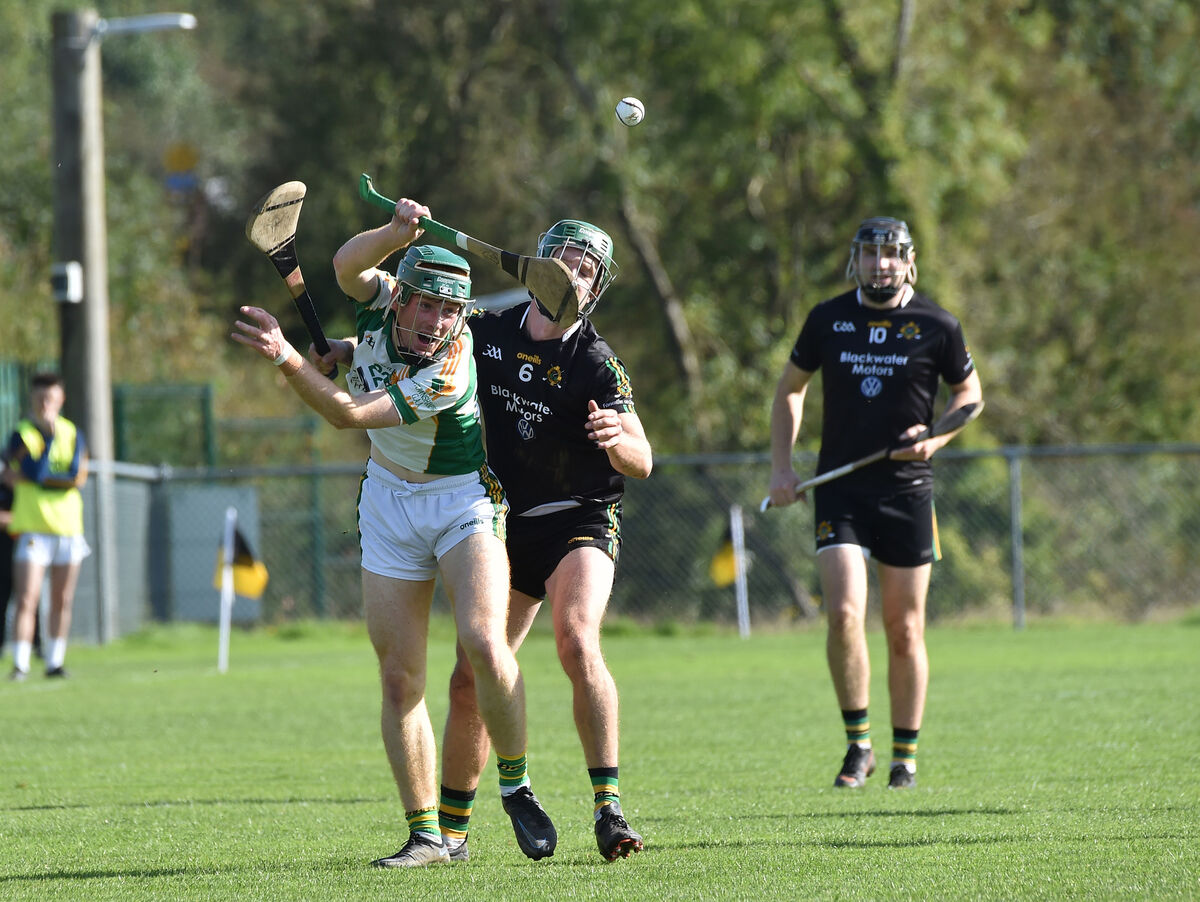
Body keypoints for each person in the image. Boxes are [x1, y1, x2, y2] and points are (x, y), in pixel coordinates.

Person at [314, 218, 654, 862]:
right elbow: (418, 345)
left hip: (577, 517)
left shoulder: (596, 363)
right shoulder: (486, 328)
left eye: (586, 269)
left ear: (597, 288)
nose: (571, 275)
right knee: (472, 674)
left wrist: (620, 441)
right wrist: (347, 350)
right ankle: (451, 835)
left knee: (576, 638)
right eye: (563, 261)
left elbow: (643, 459)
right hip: (499, 516)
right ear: (539, 265)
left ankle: (608, 809)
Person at [231, 197, 552, 868]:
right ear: (399, 297)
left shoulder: (450, 367)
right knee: (400, 680)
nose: (436, 321)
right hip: (387, 502)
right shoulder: (377, 303)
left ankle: (516, 784)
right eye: (426, 305)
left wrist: (287, 357)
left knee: (483, 642)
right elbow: (347, 266)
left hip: (461, 500)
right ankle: (428, 837)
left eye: (450, 310)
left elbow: (348, 415)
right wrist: (395, 232)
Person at [767, 217, 982, 790]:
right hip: (840, 488)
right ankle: (857, 745)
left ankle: (904, 756)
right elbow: (790, 388)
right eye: (870, 254)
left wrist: (933, 440)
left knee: (904, 628)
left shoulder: (937, 324)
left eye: (890, 254)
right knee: (843, 615)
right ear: (855, 261)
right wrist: (782, 468)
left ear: (909, 261)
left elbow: (970, 396)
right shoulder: (828, 318)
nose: (879, 264)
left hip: (907, 492)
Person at [3, 373, 89, 681]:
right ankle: (21, 664)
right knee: (27, 597)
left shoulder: (73, 433)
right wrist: (48, 440)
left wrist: (40, 480)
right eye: (40, 398)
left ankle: (55, 661)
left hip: (67, 528)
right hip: (34, 529)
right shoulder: (22, 434)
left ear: (60, 400)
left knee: (62, 599)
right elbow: (34, 472)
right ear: (32, 399)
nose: (45, 404)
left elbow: (76, 477)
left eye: (50, 398)